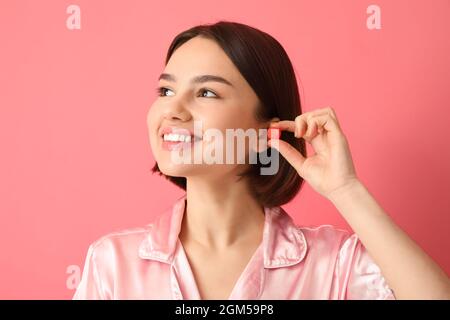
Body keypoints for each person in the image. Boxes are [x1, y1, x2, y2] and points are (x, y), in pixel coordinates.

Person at [73, 20, 450, 300]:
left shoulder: (334, 264)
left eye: (205, 92)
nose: (172, 109)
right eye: (166, 89)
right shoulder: (112, 264)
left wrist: (345, 190)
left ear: (265, 131)